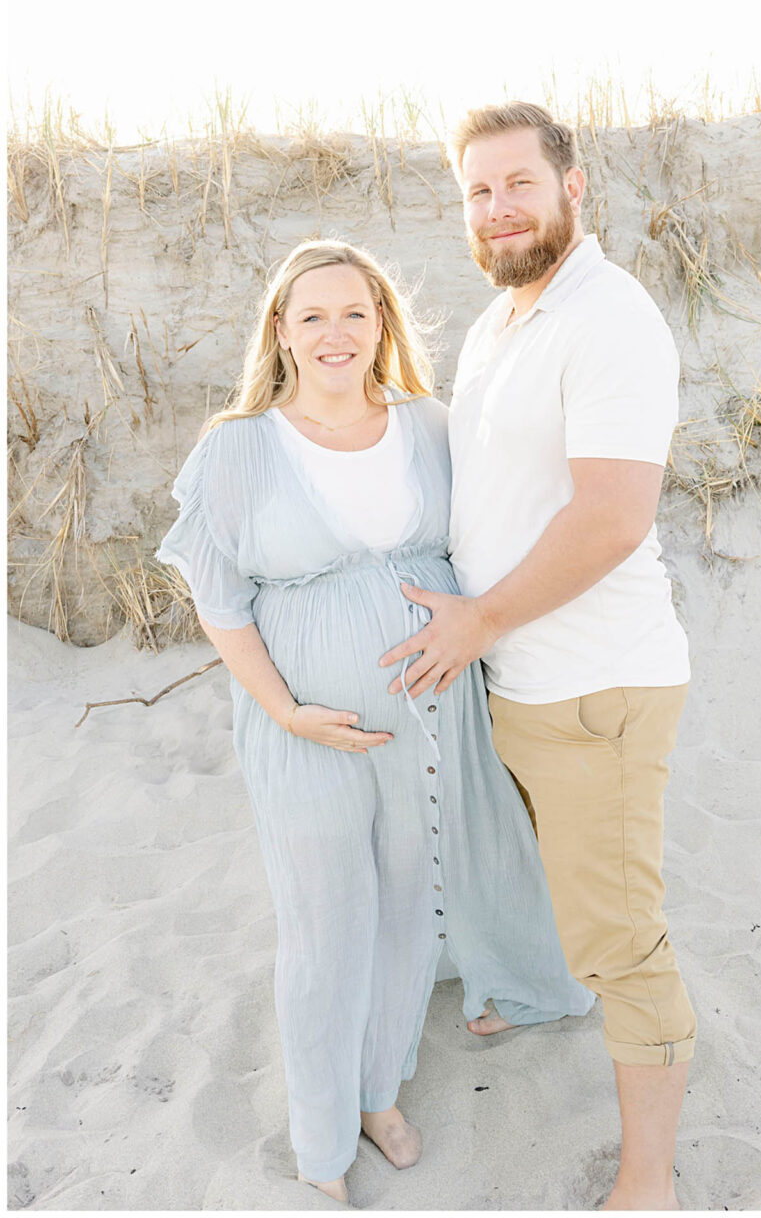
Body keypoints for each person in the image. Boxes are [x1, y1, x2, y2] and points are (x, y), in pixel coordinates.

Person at [156, 239, 592, 1205]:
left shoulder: (431, 426)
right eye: (311, 316)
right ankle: (320, 1143)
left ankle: (375, 1092)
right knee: (324, 924)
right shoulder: (238, 446)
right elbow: (221, 604)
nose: (334, 333)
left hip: (431, 718)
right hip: (301, 726)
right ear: (280, 331)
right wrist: (288, 712)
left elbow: (506, 532)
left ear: (383, 323)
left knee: (405, 905)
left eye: (354, 312)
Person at [380, 102, 694, 1213]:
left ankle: (647, 1181)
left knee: (625, 941)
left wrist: (476, 620)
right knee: (556, 883)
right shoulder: (501, 321)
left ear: (574, 186)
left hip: (593, 685)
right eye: (478, 190)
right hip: (521, 676)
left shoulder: (608, 316)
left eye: (519, 183)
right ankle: (540, 991)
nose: (499, 207)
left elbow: (611, 517)